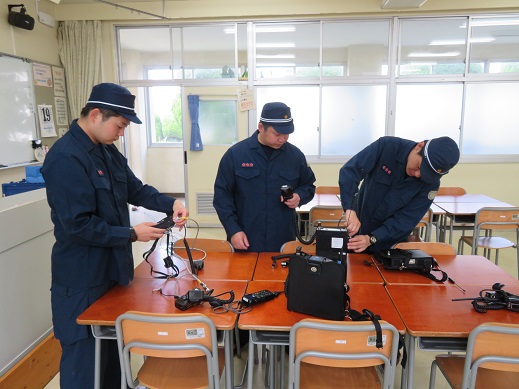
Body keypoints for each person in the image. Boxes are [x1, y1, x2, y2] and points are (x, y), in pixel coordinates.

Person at [41, 83, 188, 389]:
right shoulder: (66, 158)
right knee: (85, 364)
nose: (121, 133)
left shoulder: (107, 152)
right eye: (119, 126)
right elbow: (77, 225)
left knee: (113, 359)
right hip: (82, 278)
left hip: (113, 272)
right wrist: (131, 233)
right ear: (96, 115)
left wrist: (169, 203)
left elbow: (135, 189)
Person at [213, 102, 316, 252]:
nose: (283, 139)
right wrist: (233, 230)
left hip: (282, 238)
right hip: (245, 237)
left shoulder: (295, 156)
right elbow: (222, 197)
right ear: (261, 127)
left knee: (283, 275)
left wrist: (299, 196)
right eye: (277, 134)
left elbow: (308, 186)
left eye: (287, 134)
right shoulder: (235, 155)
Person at [339, 136, 460, 253]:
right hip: (357, 234)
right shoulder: (387, 147)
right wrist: (350, 209)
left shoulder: (430, 185)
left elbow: (405, 220)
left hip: (390, 244)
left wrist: (372, 238)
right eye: (419, 167)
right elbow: (350, 172)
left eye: (425, 175)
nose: (418, 175)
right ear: (419, 146)